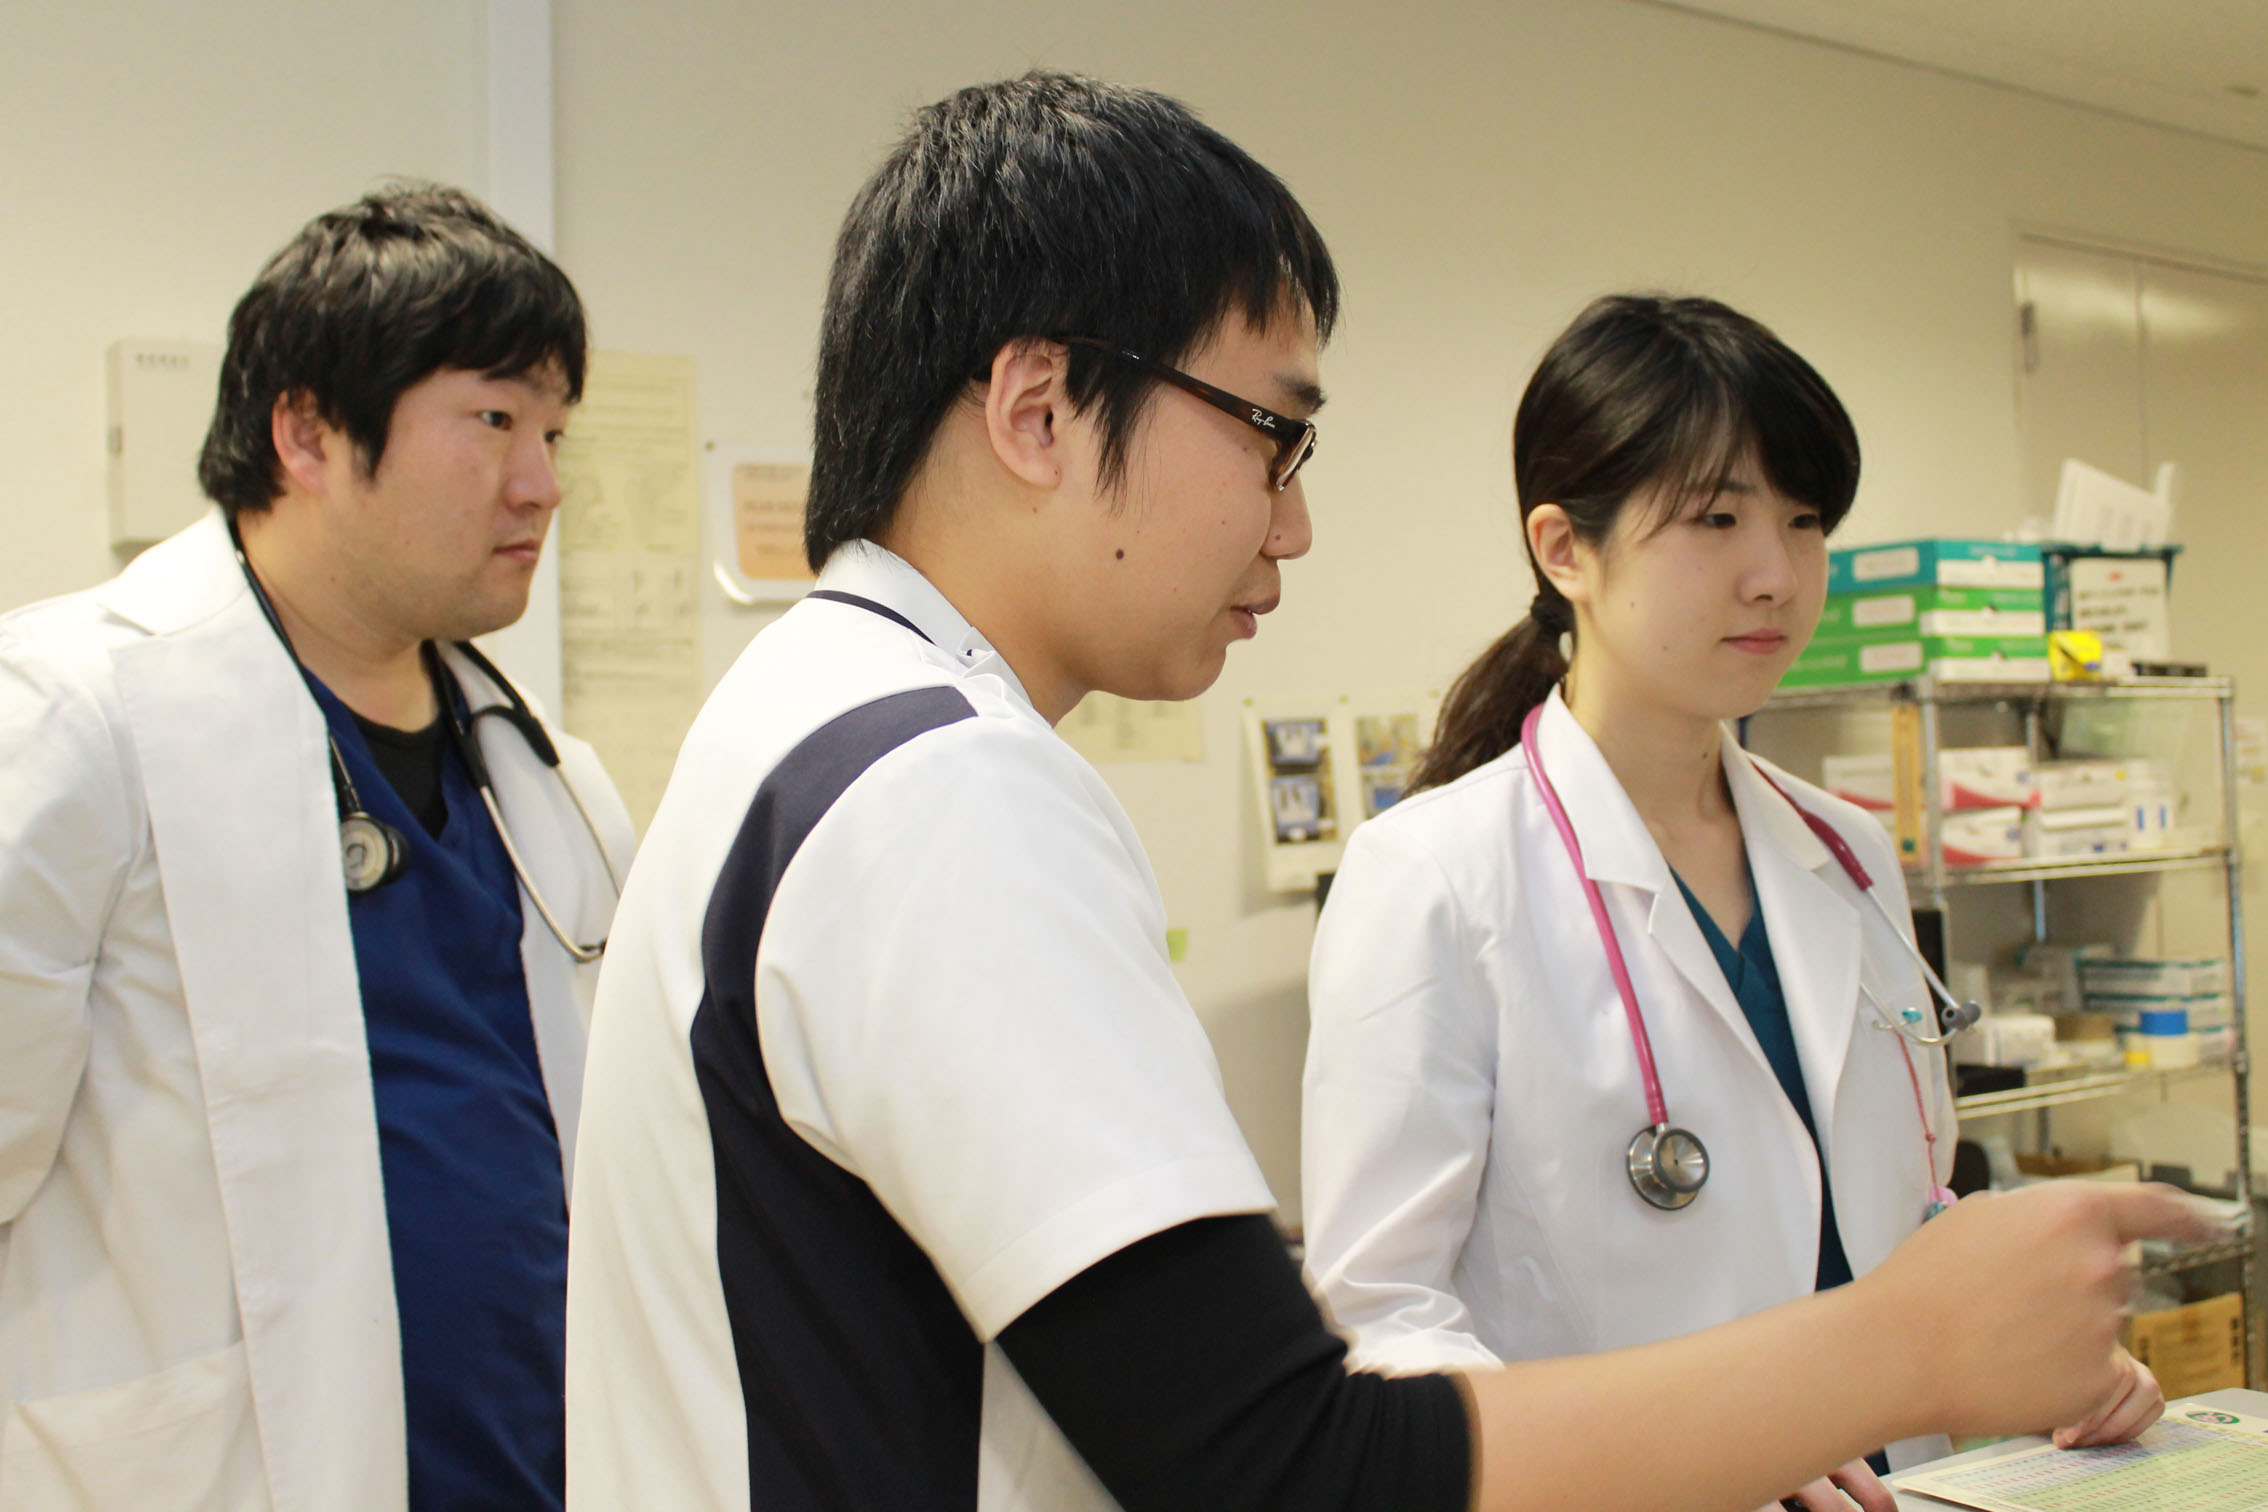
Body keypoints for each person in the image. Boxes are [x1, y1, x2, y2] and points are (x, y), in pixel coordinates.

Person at [563, 75, 2210, 1512]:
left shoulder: (809, 712)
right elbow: (1283, 1461)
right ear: (1038, 408)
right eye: (1269, 436)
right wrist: (1894, 1351)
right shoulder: (946, 787)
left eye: (1799, 523)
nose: (1291, 525)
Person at [1301, 293, 2163, 1510]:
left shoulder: (1845, 853)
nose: (1776, 576)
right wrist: (1720, 1441)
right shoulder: (1431, 877)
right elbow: (1385, 1326)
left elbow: (1900, 1219)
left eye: (1804, 522)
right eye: (1716, 519)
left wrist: (2037, 1359)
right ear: (1565, 549)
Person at [0, 184, 635, 1512]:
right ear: (306, 431)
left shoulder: (548, 783)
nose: (542, 483)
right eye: (495, 420)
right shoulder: (75, 720)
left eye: (555, 433)